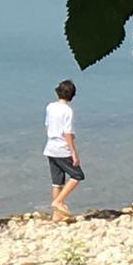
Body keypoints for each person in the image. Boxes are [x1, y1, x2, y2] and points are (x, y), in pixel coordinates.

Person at [43, 79, 83, 221]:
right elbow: (67, 133)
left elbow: (47, 126)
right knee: (77, 175)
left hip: (50, 147)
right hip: (61, 149)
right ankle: (58, 202)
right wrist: (73, 152)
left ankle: (56, 216)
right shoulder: (68, 111)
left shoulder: (50, 107)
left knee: (57, 182)